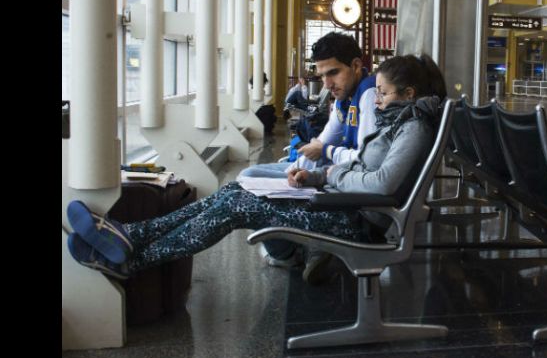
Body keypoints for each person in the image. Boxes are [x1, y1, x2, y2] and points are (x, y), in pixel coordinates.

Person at [65, 54, 447, 284]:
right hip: (341, 203)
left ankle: (131, 260)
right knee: (235, 192)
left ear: (409, 95)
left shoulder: (413, 127)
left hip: (360, 221)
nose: (375, 100)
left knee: (238, 207)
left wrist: (329, 175)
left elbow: (382, 184)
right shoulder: (396, 122)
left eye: (382, 93)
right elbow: (364, 169)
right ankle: (133, 234)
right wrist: (313, 177)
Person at [238, 32, 378, 274]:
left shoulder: (369, 95)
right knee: (249, 176)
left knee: (249, 183)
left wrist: (325, 150)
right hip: (324, 173)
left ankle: (290, 253)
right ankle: (308, 246)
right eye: (322, 75)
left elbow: (364, 160)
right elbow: (324, 139)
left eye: (333, 73)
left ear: (356, 66)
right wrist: (297, 167)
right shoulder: (345, 99)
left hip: (341, 182)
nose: (326, 83)